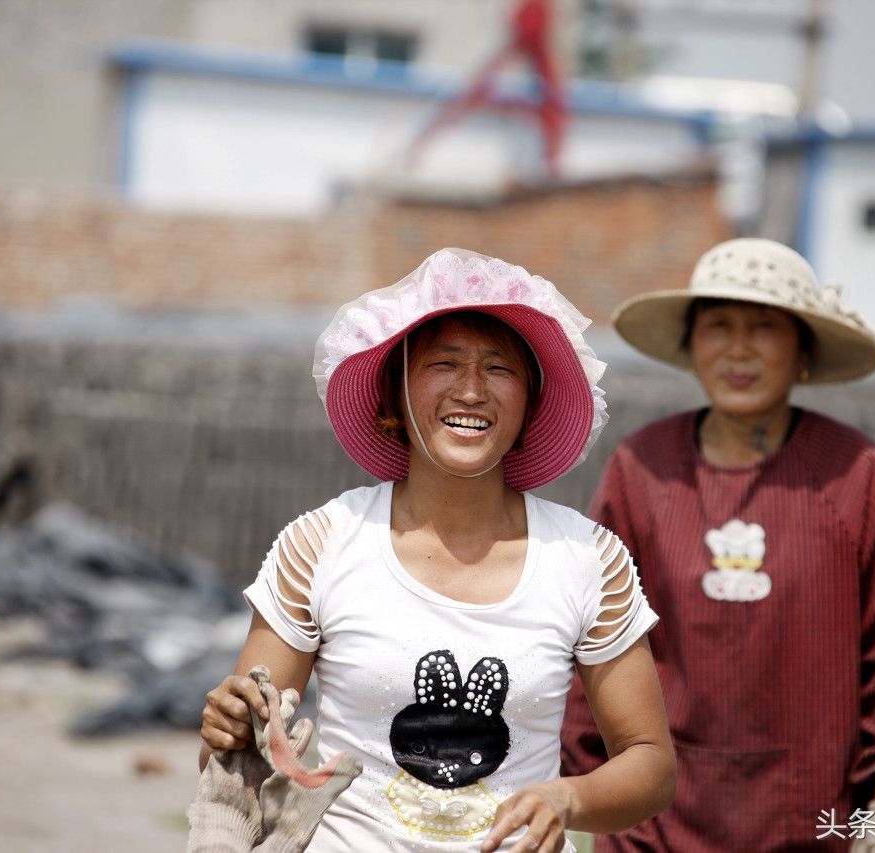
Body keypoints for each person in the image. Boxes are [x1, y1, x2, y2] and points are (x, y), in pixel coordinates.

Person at [199, 247, 677, 853]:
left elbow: (652, 765)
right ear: (395, 399)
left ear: (530, 406)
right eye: (443, 364)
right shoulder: (322, 544)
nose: (471, 390)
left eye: (499, 369)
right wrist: (229, 726)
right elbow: (236, 761)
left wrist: (567, 797)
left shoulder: (586, 561)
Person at [560, 238, 875, 852]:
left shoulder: (855, 474)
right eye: (718, 325)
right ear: (692, 345)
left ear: (803, 349)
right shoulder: (642, 469)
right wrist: (583, 795)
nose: (739, 348)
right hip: (654, 829)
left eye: (764, 326)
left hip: (815, 823)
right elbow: (593, 648)